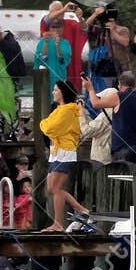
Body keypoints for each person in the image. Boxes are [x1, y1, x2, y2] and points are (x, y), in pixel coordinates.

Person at [39, 81, 90, 230]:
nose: (53, 92)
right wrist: (45, 125)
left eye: (55, 90)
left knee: (55, 188)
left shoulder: (67, 110)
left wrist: (44, 125)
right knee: (51, 188)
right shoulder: (59, 109)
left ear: (63, 92)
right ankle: (81, 209)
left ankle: (58, 224)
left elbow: (50, 127)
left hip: (64, 151)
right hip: (56, 151)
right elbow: (47, 125)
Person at [85, 73, 136, 166]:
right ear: (133, 84)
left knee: (120, 179)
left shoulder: (119, 96)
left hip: (123, 149)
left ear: (119, 85)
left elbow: (95, 103)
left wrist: (90, 88)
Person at [34, 15, 72, 89]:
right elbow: (41, 61)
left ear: (63, 28)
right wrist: (46, 43)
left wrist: (57, 46)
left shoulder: (65, 43)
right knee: (43, 99)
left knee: (58, 99)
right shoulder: (42, 41)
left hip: (59, 78)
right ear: (49, 29)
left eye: (58, 27)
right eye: (53, 27)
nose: (56, 29)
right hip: (43, 78)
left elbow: (63, 62)